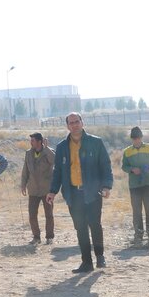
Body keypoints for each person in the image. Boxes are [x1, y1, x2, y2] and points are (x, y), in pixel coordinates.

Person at [48, 112, 113, 273]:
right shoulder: (62, 147)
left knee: (95, 224)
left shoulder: (95, 142)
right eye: (71, 123)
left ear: (82, 123)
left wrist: (107, 186)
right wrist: (53, 191)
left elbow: (105, 165)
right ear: (67, 126)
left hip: (92, 192)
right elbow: (57, 172)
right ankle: (86, 262)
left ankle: (100, 256)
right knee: (80, 227)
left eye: (77, 121)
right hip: (73, 194)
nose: (74, 125)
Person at [121, 126, 149, 245]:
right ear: (131, 139)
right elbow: (124, 166)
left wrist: (148, 166)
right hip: (134, 185)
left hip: (148, 183)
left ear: (141, 137)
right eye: (134, 139)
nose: (136, 141)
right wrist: (132, 169)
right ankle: (138, 234)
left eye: (138, 138)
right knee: (136, 211)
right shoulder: (127, 151)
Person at [21, 132, 55, 244]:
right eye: (30, 141)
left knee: (49, 215)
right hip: (33, 190)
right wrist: (23, 185)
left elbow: (54, 161)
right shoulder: (28, 154)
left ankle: (49, 237)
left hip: (47, 190)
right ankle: (36, 237)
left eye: (33, 141)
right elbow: (25, 170)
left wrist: (46, 149)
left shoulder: (48, 152)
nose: (31, 143)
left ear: (39, 141)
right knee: (32, 215)